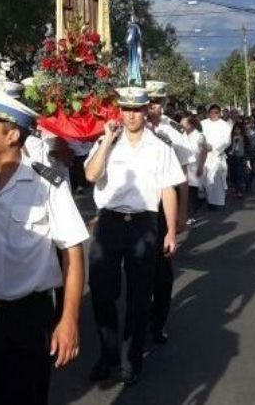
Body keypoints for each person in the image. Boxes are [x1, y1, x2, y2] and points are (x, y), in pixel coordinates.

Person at [0, 89, 88, 404]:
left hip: (27, 319)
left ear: (12, 134)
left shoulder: (47, 186)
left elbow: (72, 252)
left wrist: (69, 319)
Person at [84, 87, 185, 385]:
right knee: (102, 292)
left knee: (140, 296)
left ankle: (132, 358)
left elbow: (168, 188)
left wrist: (170, 231)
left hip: (144, 224)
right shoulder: (107, 143)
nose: (131, 115)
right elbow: (91, 175)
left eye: (136, 110)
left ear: (146, 112)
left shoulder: (160, 146)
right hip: (109, 224)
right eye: (125, 109)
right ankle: (108, 353)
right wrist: (106, 142)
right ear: (120, 111)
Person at [144, 81, 193, 345]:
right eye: (148, 102)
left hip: (165, 204)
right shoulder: (132, 128)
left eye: (157, 102)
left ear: (163, 103)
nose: (152, 107)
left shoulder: (172, 131)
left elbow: (182, 176)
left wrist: (182, 213)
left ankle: (158, 322)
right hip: (140, 204)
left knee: (162, 269)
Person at [201, 105, 231, 210]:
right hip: (204, 155)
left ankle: (218, 202)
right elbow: (199, 136)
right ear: (208, 113)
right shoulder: (203, 123)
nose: (214, 114)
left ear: (219, 113)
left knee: (217, 178)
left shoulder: (224, 125)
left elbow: (227, 141)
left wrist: (214, 148)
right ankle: (208, 201)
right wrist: (203, 146)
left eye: (216, 112)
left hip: (217, 155)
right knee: (205, 178)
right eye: (212, 112)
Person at [181, 114, 208, 220]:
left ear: (191, 125)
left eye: (183, 124)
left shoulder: (199, 136)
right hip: (184, 168)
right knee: (185, 192)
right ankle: (187, 213)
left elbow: (204, 152)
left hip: (195, 167)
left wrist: (201, 166)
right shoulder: (181, 135)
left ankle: (191, 215)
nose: (181, 125)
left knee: (192, 192)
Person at [228, 123, 247, 199]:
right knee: (233, 174)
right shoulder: (231, 138)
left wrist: (247, 158)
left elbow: (247, 148)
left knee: (240, 174)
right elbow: (229, 147)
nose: (237, 131)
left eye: (239, 129)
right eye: (235, 129)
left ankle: (239, 191)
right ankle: (236, 188)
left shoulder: (244, 138)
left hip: (241, 157)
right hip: (233, 158)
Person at [242, 116, 255, 191]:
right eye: (245, 123)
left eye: (248, 123)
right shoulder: (241, 132)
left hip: (254, 153)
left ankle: (249, 182)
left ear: (251, 123)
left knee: (254, 170)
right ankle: (247, 183)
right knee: (244, 170)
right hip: (244, 154)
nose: (246, 124)